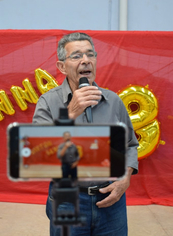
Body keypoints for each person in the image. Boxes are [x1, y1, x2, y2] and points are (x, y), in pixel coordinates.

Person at [33, 32, 139, 236]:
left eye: (90, 55)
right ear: (62, 67)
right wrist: (70, 113)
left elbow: (130, 145)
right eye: (76, 56)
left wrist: (125, 179)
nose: (86, 60)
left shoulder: (113, 101)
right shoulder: (48, 103)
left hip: (111, 199)